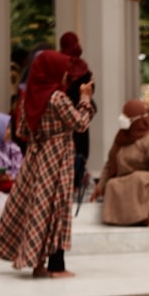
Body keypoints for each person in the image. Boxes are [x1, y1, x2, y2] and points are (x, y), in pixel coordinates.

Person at [0, 51, 94, 278]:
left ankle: (39, 264)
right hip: (58, 157)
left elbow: (22, 131)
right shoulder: (57, 98)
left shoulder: (29, 98)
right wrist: (85, 99)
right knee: (56, 208)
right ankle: (57, 266)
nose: (67, 74)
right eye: (63, 69)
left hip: (36, 158)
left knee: (38, 208)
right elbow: (80, 123)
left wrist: (44, 134)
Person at [89, 99, 149, 227]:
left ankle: (143, 217)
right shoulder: (121, 138)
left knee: (139, 178)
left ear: (136, 119)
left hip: (142, 184)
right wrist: (100, 185)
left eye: (126, 116)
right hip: (123, 180)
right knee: (112, 184)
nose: (122, 118)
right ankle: (125, 219)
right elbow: (110, 163)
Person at [59, 32, 96, 195]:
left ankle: (69, 186)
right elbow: (90, 90)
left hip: (64, 115)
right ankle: (76, 185)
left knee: (69, 150)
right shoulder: (84, 67)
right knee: (80, 149)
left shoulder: (59, 64)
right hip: (81, 111)